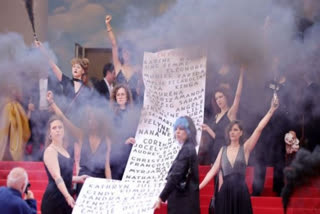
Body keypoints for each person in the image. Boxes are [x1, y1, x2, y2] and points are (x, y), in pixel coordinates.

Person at [199, 97, 279, 214]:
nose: (232, 132)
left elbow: (258, 129)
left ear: (241, 133)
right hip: (225, 193)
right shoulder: (223, 150)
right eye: (230, 130)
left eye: (235, 130)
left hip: (241, 192)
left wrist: (271, 110)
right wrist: (199, 187)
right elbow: (212, 172)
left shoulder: (245, 148)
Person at [46, 91, 112, 193]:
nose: (92, 122)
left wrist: (110, 186)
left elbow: (107, 166)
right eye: (89, 119)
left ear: (99, 120)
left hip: (100, 182)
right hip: (84, 181)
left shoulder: (106, 140)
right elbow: (64, 119)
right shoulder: (81, 135)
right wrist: (52, 103)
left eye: (94, 119)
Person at [41, 116, 88, 214]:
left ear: (64, 131)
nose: (57, 130)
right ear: (50, 133)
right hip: (54, 198)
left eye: (60, 127)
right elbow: (57, 176)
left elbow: (65, 176)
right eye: (54, 128)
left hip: (65, 197)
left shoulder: (64, 150)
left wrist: (78, 179)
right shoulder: (50, 150)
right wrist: (67, 196)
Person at [154, 116, 200, 214]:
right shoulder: (189, 148)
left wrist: (161, 197)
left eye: (181, 129)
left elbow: (175, 176)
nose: (177, 132)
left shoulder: (187, 149)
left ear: (189, 131)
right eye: (176, 129)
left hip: (183, 203)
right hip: (187, 201)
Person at [201, 65, 245, 164]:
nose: (218, 100)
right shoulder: (216, 116)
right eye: (216, 98)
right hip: (214, 153)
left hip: (226, 153)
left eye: (221, 97)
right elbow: (214, 138)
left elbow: (237, 96)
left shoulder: (230, 113)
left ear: (226, 97)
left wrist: (242, 74)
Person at [105, 15, 140, 102]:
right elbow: (114, 44)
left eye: (128, 52)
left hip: (134, 103)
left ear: (132, 53)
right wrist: (108, 25)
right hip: (119, 104)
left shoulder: (138, 68)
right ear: (122, 54)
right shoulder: (118, 66)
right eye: (124, 52)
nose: (126, 54)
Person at [109, 84, 139, 180]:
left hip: (131, 157)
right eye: (118, 95)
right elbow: (110, 137)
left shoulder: (134, 115)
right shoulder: (111, 115)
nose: (120, 97)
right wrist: (124, 142)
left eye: (123, 94)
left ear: (127, 97)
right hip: (117, 157)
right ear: (115, 97)